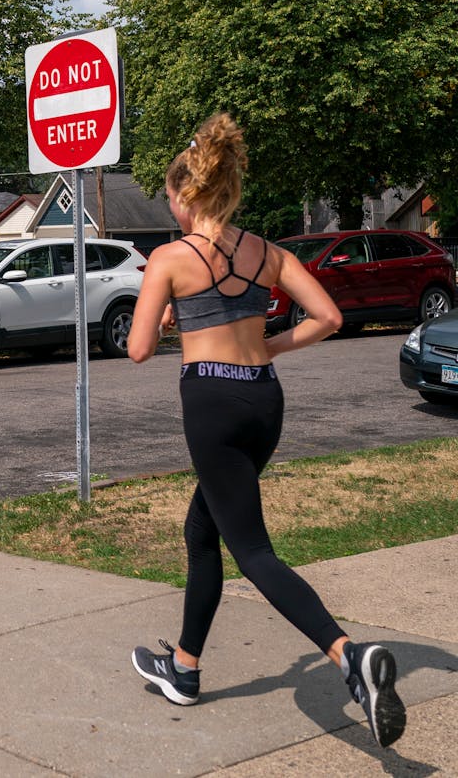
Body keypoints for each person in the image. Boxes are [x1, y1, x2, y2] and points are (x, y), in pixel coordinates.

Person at [126, 112, 406, 748]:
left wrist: (172, 316)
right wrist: (269, 347)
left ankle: (350, 659)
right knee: (203, 530)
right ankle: (185, 668)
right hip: (263, 401)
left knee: (252, 551)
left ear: (187, 194)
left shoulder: (170, 257)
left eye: (169, 198)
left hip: (212, 404)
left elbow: (139, 349)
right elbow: (329, 315)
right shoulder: (269, 251)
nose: (169, 209)